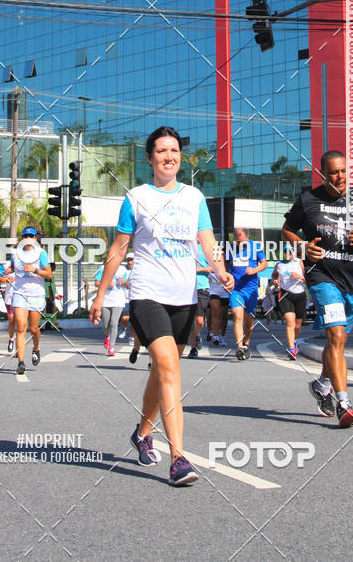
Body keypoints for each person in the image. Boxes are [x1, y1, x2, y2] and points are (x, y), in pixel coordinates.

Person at [89, 125, 234, 487]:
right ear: (150, 158)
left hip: (183, 297)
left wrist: (220, 270)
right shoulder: (136, 198)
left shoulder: (194, 197)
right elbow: (119, 248)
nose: (169, 157)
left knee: (161, 372)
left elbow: (206, 239)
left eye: (175, 151)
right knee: (170, 368)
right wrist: (102, 293)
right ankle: (179, 458)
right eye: (162, 151)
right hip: (147, 293)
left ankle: (142, 433)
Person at [282, 150, 353, 428]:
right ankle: (344, 403)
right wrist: (302, 246)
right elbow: (287, 230)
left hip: (352, 280)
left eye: (343, 171)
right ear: (323, 172)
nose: (339, 177)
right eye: (333, 172)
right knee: (336, 335)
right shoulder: (308, 200)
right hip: (322, 276)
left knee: (337, 342)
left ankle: (323, 383)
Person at [10, 227, 52, 375]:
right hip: (19, 293)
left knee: (33, 329)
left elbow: (48, 274)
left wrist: (34, 270)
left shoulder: (41, 253)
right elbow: (12, 268)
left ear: (35, 238)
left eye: (31, 236)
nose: (28, 238)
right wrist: (6, 272)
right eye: (25, 235)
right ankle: (21, 362)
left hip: (36, 294)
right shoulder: (15, 253)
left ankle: (36, 348)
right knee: (21, 327)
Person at [229, 227, 268, 360]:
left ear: (246, 237)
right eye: (236, 239)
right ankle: (239, 347)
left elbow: (264, 264)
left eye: (241, 239)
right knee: (237, 315)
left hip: (251, 289)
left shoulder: (255, 247)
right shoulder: (231, 248)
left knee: (249, 319)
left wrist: (254, 270)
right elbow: (223, 263)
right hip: (236, 289)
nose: (239, 242)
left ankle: (246, 343)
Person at [272, 252, 306, 359]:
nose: (287, 255)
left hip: (300, 295)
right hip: (285, 294)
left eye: (290, 253)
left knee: (297, 326)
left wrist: (300, 277)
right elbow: (274, 275)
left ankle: (293, 341)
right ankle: (291, 348)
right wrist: (275, 281)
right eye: (285, 252)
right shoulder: (279, 264)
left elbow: (307, 278)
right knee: (290, 321)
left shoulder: (299, 262)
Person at [94, 254, 130, 357]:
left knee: (114, 323)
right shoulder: (103, 268)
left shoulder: (123, 269)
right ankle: (107, 336)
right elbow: (96, 283)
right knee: (106, 324)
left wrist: (123, 283)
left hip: (118, 299)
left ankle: (112, 347)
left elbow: (127, 285)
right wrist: (107, 284)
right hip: (106, 300)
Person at [187, 247, 211, 358]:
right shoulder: (184, 247)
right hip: (186, 288)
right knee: (191, 320)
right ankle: (193, 348)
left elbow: (215, 268)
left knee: (199, 321)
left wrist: (200, 269)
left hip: (202, 287)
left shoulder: (205, 249)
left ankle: (197, 335)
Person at [0, 257, 16, 354]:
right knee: (12, 321)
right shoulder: (6, 265)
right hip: (10, 297)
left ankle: (19, 347)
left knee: (21, 322)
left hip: (23, 297)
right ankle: (11, 338)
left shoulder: (27, 264)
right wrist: (6, 280)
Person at [208, 267, 229, 346]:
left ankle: (223, 336)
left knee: (224, 316)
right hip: (213, 291)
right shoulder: (210, 262)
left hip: (224, 292)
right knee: (215, 312)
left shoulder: (226, 263)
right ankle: (216, 336)